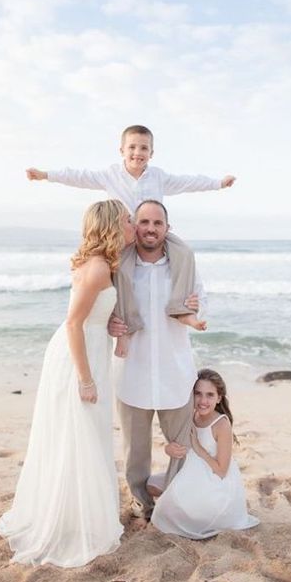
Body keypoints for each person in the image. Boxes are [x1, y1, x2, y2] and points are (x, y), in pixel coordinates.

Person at [0, 199, 135, 568]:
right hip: (78, 360)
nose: (132, 223)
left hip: (89, 350)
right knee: (81, 435)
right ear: (111, 226)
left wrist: (109, 325)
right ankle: (72, 521)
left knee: (83, 436)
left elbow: (90, 318)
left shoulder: (104, 265)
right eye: (126, 219)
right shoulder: (98, 268)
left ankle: (77, 515)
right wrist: (86, 379)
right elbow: (74, 324)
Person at [25, 125, 235, 357]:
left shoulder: (159, 177)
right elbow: (78, 176)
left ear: (152, 153)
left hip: (153, 230)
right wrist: (46, 175)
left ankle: (181, 309)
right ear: (121, 150)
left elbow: (188, 182)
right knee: (121, 276)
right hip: (124, 237)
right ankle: (125, 331)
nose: (138, 152)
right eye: (132, 147)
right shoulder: (110, 174)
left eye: (144, 148)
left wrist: (218, 183)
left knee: (184, 252)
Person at [108, 200, 206, 521]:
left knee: (181, 443)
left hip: (174, 368)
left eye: (158, 223)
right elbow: (101, 304)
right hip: (131, 369)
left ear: (167, 228)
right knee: (135, 448)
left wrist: (195, 311)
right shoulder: (119, 265)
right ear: (134, 225)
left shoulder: (182, 264)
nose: (151, 229)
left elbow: (199, 301)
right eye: (144, 222)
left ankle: (174, 499)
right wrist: (110, 323)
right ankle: (141, 501)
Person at [149, 369, 260, 539]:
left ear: (219, 398)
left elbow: (222, 470)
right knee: (150, 484)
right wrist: (168, 448)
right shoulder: (191, 415)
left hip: (215, 480)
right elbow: (180, 446)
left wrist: (199, 448)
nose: (203, 401)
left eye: (210, 395)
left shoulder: (221, 424)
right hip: (192, 473)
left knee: (169, 508)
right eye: (198, 394)